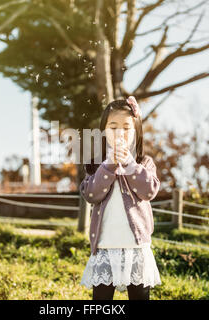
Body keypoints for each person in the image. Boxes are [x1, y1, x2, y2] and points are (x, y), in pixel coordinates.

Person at [79, 96, 162, 300]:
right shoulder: (96, 165)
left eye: (126, 128)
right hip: (105, 246)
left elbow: (149, 191)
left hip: (136, 248)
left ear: (136, 131)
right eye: (113, 127)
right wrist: (108, 166)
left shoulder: (144, 163)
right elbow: (91, 194)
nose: (120, 133)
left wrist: (131, 165)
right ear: (104, 131)